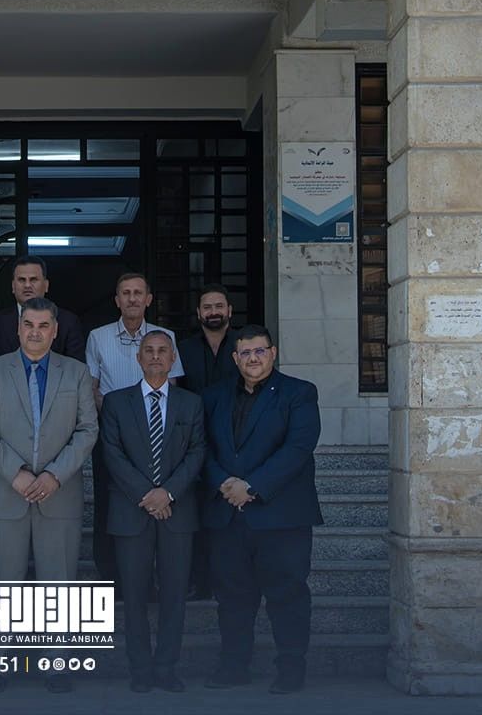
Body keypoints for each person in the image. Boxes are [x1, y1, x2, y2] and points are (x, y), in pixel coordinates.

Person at [0, 297, 98, 693]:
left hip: (60, 493)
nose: (36, 332)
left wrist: (56, 475)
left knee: (59, 582)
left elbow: (88, 429)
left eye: (44, 325)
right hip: (6, 492)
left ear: (55, 331)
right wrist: (16, 473)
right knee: (0, 584)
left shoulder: (76, 372)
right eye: (29, 325)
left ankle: (56, 663)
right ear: (18, 328)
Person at [197, 324, 322, 694]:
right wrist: (224, 482)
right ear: (235, 358)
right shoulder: (213, 396)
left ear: (273, 353)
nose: (253, 358)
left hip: (281, 517)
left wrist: (251, 487)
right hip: (228, 515)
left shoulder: (299, 393)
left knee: (288, 597)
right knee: (232, 598)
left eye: (260, 351)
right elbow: (201, 448)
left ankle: (291, 669)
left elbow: (298, 448)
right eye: (246, 353)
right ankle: (234, 666)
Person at [98, 331, 204, 693]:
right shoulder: (116, 402)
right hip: (132, 511)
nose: (156, 356)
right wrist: (147, 494)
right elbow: (112, 453)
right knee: (134, 596)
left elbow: (197, 452)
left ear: (173, 359)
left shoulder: (191, 403)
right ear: (138, 358)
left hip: (178, 511)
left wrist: (167, 493)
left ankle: (167, 668)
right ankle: (140, 670)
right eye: (149, 351)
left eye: (162, 351)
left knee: (174, 596)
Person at [83, 271, 182, 581]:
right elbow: (92, 389)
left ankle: (153, 578)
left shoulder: (165, 337)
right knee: (108, 503)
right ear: (117, 300)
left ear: (148, 299)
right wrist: (122, 421)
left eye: (138, 293)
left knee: (156, 499)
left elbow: (172, 387)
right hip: (111, 437)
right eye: (126, 293)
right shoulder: (97, 337)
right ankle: (110, 575)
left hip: (157, 436)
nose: (132, 298)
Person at [175, 286, 240, 599]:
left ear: (229, 311)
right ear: (199, 313)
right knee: (196, 514)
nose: (213, 312)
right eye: (207, 307)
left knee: (230, 517)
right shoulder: (183, 348)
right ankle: (199, 582)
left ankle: (229, 582)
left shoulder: (243, 347)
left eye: (219, 306)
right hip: (192, 441)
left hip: (235, 440)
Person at [0, 255, 85, 364]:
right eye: (21, 280)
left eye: (33, 279)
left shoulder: (68, 322)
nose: (27, 285)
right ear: (13, 286)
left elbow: (76, 369)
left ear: (46, 285)